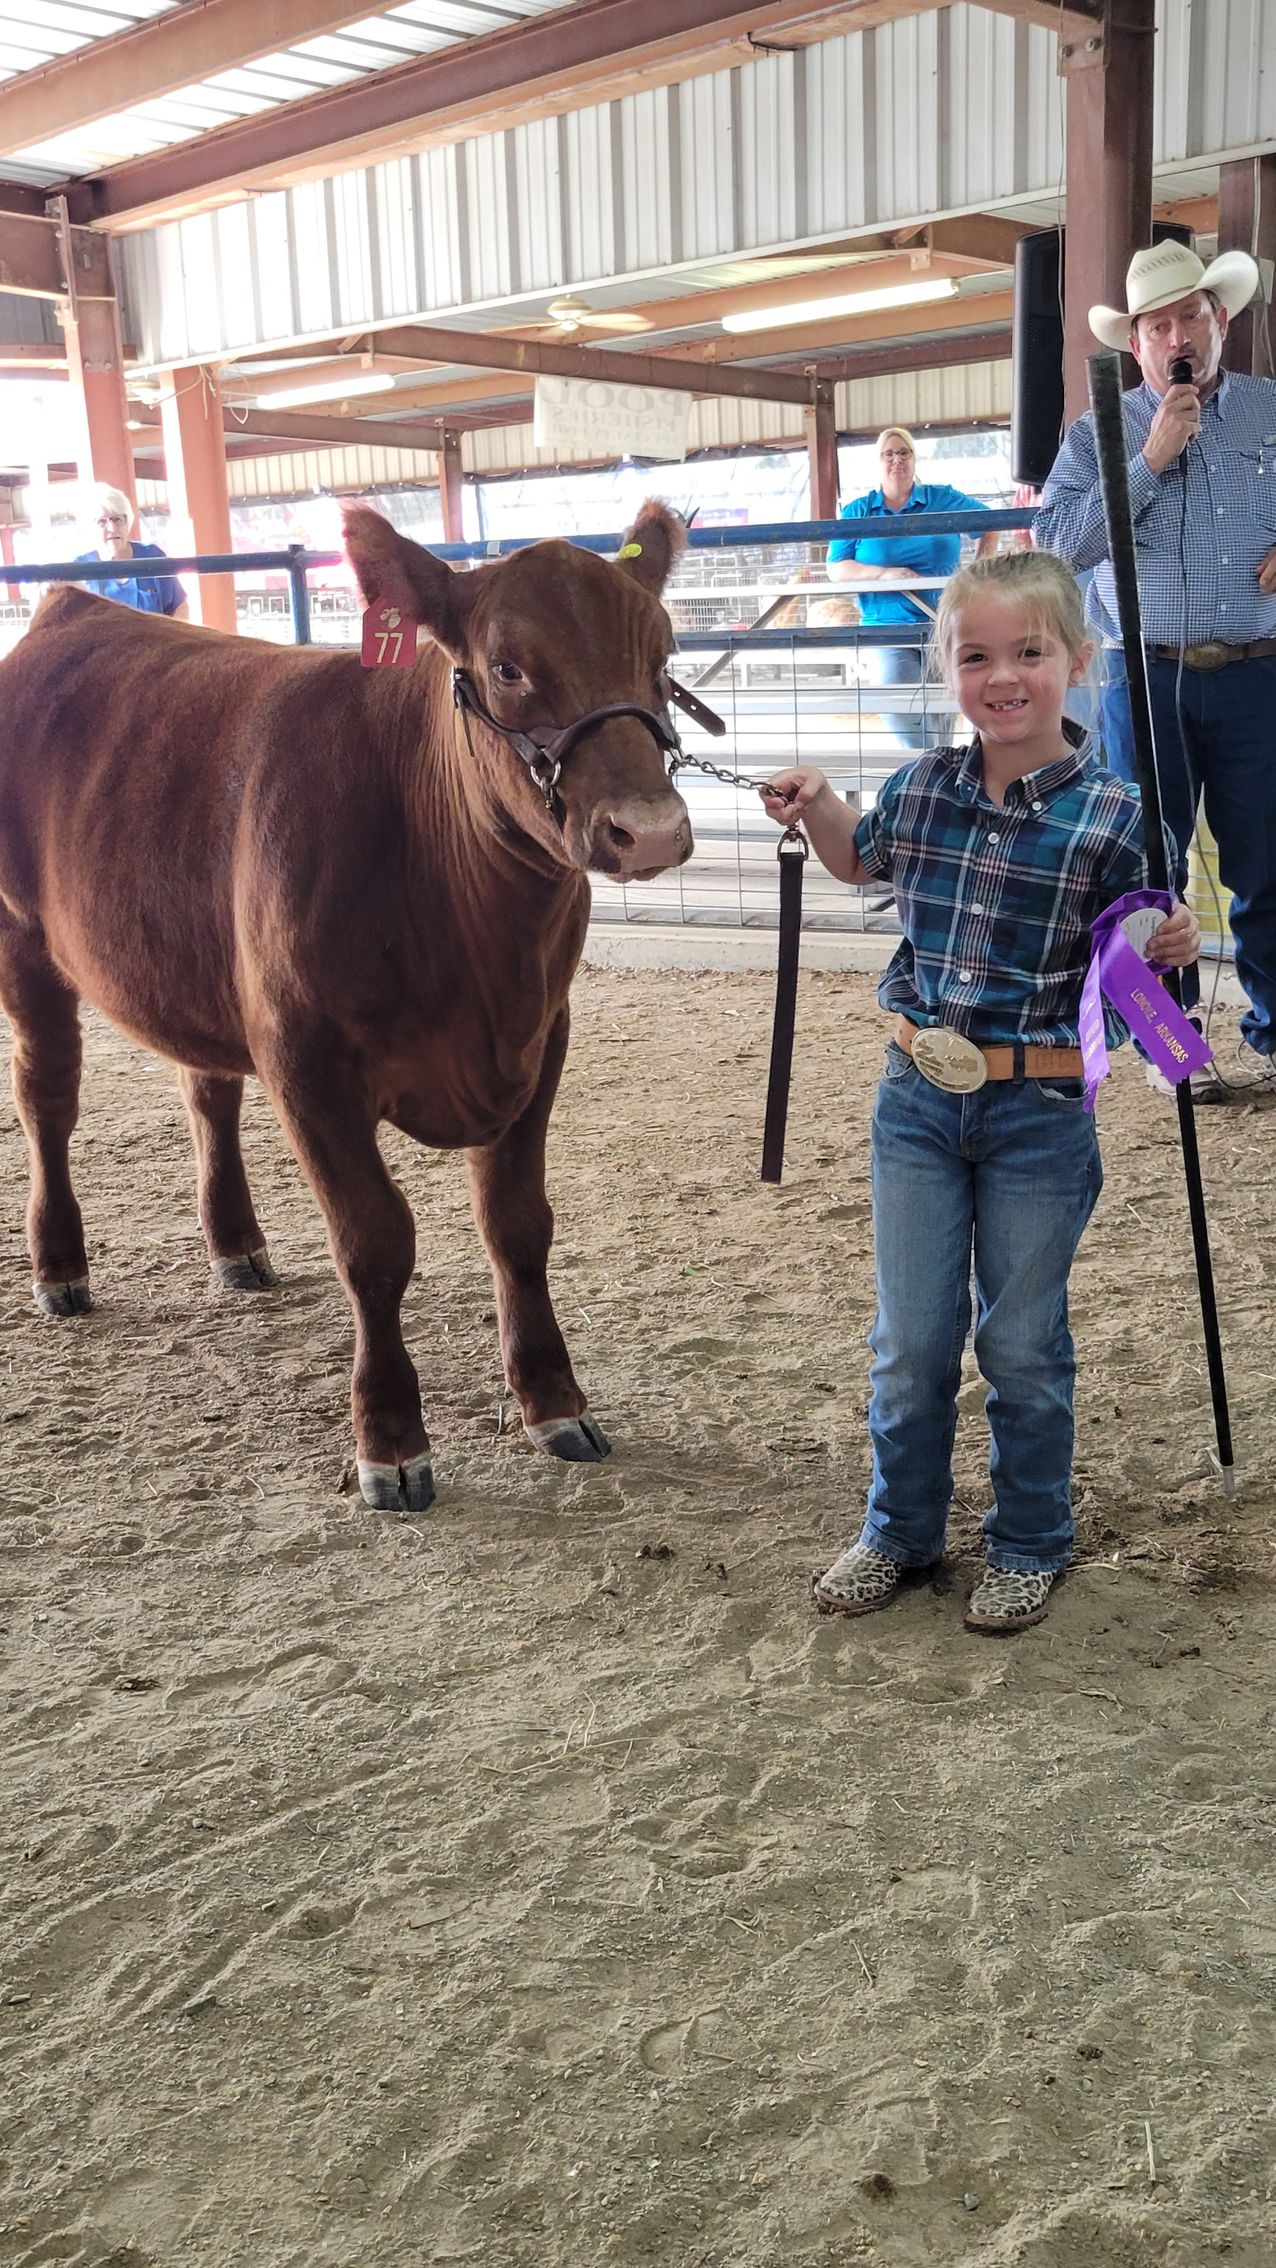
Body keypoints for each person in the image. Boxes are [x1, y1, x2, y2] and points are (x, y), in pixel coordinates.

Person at [760, 551, 1199, 1635]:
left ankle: (1029, 1539)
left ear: (1077, 663)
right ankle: (900, 1532)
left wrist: (1172, 948)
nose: (1002, 678)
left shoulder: (1115, 817)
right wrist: (817, 804)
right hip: (916, 1099)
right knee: (909, 1339)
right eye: (975, 657)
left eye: (1028, 654)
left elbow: (1135, 979)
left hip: (1039, 1115)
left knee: (1018, 1343)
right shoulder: (918, 791)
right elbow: (861, 862)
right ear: (945, 668)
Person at [1033, 241, 1276, 1096]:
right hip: (1145, 678)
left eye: (1191, 316)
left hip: (1258, 674)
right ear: (1136, 344)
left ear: (1221, 321)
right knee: (1143, 870)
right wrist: (1151, 461)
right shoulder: (1102, 427)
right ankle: (1172, 1052)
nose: (1178, 335)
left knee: (1268, 860)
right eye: (1158, 324)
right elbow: (1058, 548)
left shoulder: (1269, 410)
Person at [826, 427, 998, 750]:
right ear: (878, 462)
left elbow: (990, 524)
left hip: (942, 622)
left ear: (914, 459)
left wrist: (979, 574)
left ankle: (940, 779)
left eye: (904, 453)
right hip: (886, 628)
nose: (897, 460)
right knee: (899, 704)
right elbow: (837, 567)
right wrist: (884, 575)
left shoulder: (941, 499)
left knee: (945, 710)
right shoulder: (859, 511)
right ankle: (930, 768)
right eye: (888, 454)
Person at [76, 485, 188, 620]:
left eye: (117, 519)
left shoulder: (152, 556)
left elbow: (180, 607)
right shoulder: (78, 570)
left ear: (128, 522)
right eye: (102, 522)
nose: (112, 528)